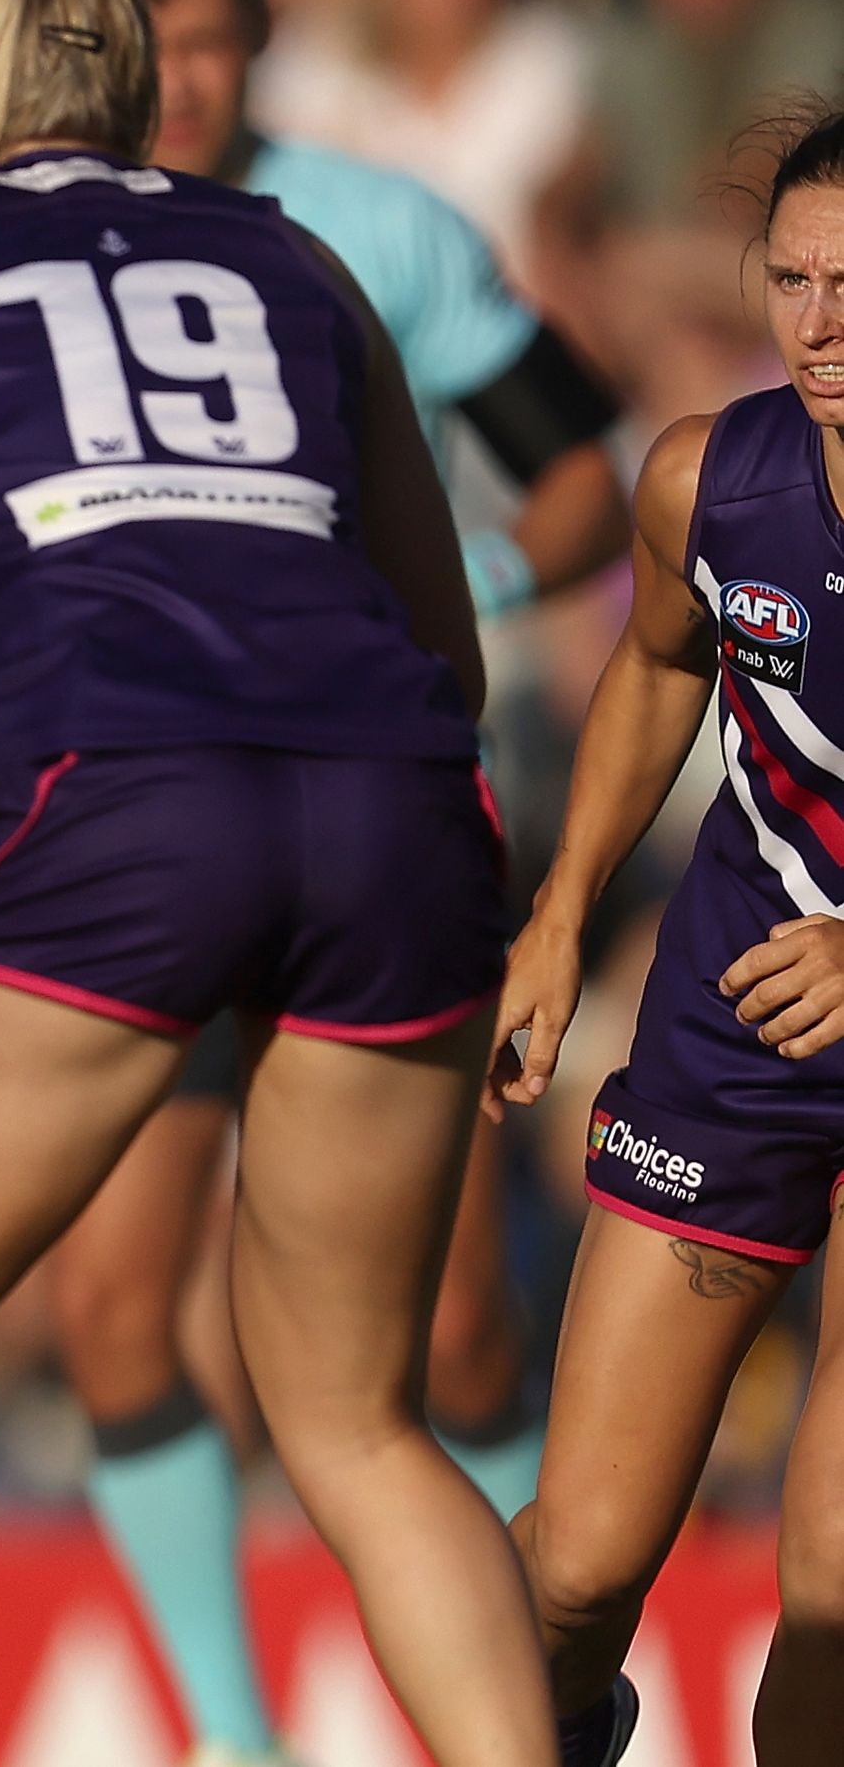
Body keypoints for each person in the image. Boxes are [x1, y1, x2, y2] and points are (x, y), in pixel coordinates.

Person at [0, 0, 557, 1761]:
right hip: (393, 809)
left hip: (117, 800)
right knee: (365, 1428)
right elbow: (435, 655)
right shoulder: (295, 253)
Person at [12, 0, 631, 1759]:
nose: (180, 75)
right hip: (133, 823)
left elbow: (582, 474)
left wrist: (464, 584)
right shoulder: (29, 244)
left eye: (213, 38)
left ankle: (548, 1686)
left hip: (377, 811)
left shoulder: (383, 231)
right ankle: (231, 1735)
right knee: (118, 1306)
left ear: (263, 46)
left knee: (441, 1330)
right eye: (151, 40)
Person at [490, 105, 844, 1767]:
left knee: (838, 1589)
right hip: (730, 1044)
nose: (819, 323)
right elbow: (651, 663)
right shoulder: (709, 479)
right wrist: (559, 912)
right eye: (789, 278)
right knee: (569, 1570)